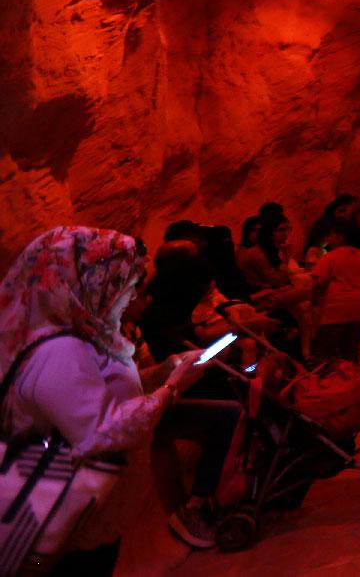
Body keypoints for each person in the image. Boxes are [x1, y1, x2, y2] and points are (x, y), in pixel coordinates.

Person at [0, 227, 232, 564]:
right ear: (91, 282)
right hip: (69, 524)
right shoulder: (60, 350)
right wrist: (172, 388)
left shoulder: (85, 335)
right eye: (126, 283)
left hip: (91, 512)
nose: (135, 296)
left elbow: (110, 395)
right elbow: (103, 433)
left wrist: (165, 371)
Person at [310, 223, 360, 364]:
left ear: (340, 238)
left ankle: (327, 383)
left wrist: (315, 303)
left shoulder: (329, 258)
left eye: (332, 235)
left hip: (334, 311)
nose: (329, 238)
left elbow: (319, 283)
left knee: (324, 353)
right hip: (359, 310)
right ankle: (352, 381)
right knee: (351, 350)